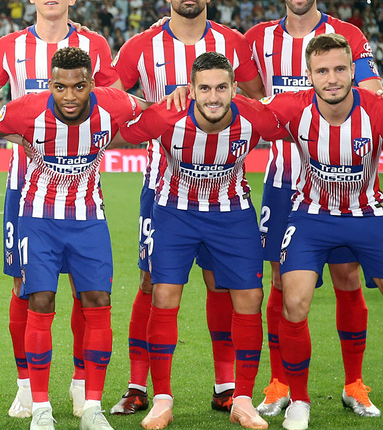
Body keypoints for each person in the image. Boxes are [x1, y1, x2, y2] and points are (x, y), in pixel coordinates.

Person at [0, 0, 122, 419]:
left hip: (82, 188)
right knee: (26, 287)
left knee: (84, 286)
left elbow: (113, 103)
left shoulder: (95, 45)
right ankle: (27, 385)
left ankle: (78, 382)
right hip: (24, 187)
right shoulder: (10, 47)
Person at [109, 0, 266, 416]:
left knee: (222, 284)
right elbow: (116, 104)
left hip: (223, 187)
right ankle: (140, 386)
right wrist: (159, 105)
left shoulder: (232, 43)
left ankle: (226, 384)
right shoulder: (141, 46)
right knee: (151, 281)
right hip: (162, 185)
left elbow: (255, 101)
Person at [0, 46, 142, 430]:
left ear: (91, 84)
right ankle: (41, 407)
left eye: (79, 86)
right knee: (41, 301)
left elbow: (148, 110)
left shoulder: (113, 103)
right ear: (50, 84)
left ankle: (92, 407)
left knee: (98, 300)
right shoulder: (26, 109)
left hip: (89, 219)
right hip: (38, 221)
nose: (69, 96)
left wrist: (181, 98)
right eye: (60, 87)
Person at [244, 0, 383, 418]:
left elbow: (371, 90)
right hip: (284, 181)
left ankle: (355, 383)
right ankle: (280, 381)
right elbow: (245, 101)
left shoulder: (348, 37)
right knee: (279, 284)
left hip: (342, 186)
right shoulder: (258, 39)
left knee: (348, 280)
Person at [259, 33, 383, 430]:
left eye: (339, 69)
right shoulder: (291, 106)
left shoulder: (382, 112)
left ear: (353, 71)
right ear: (308, 75)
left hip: (368, 214)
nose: (331, 78)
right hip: (311, 216)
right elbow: (237, 111)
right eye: (321, 71)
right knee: (293, 300)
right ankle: (298, 400)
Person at [118, 52, 286, 430]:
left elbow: (300, 114)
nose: (213, 97)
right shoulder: (166, 117)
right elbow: (122, 128)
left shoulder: (254, 116)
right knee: (163, 295)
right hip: (175, 213)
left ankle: (242, 398)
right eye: (205, 88)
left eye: (222, 87)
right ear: (190, 90)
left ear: (234, 88)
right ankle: (162, 399)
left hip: (231, 213)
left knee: (250, 298)